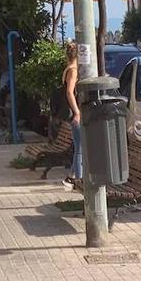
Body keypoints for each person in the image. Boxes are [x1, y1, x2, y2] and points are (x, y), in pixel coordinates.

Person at [60, 42, 82, 190]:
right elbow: (69, 92)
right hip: (75, 115)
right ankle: (78, 179)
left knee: (79, 145)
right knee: (80, 147)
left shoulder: (67, 69)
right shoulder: (73, 71)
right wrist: (77, 111)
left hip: (72, 114)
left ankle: (71, 177)